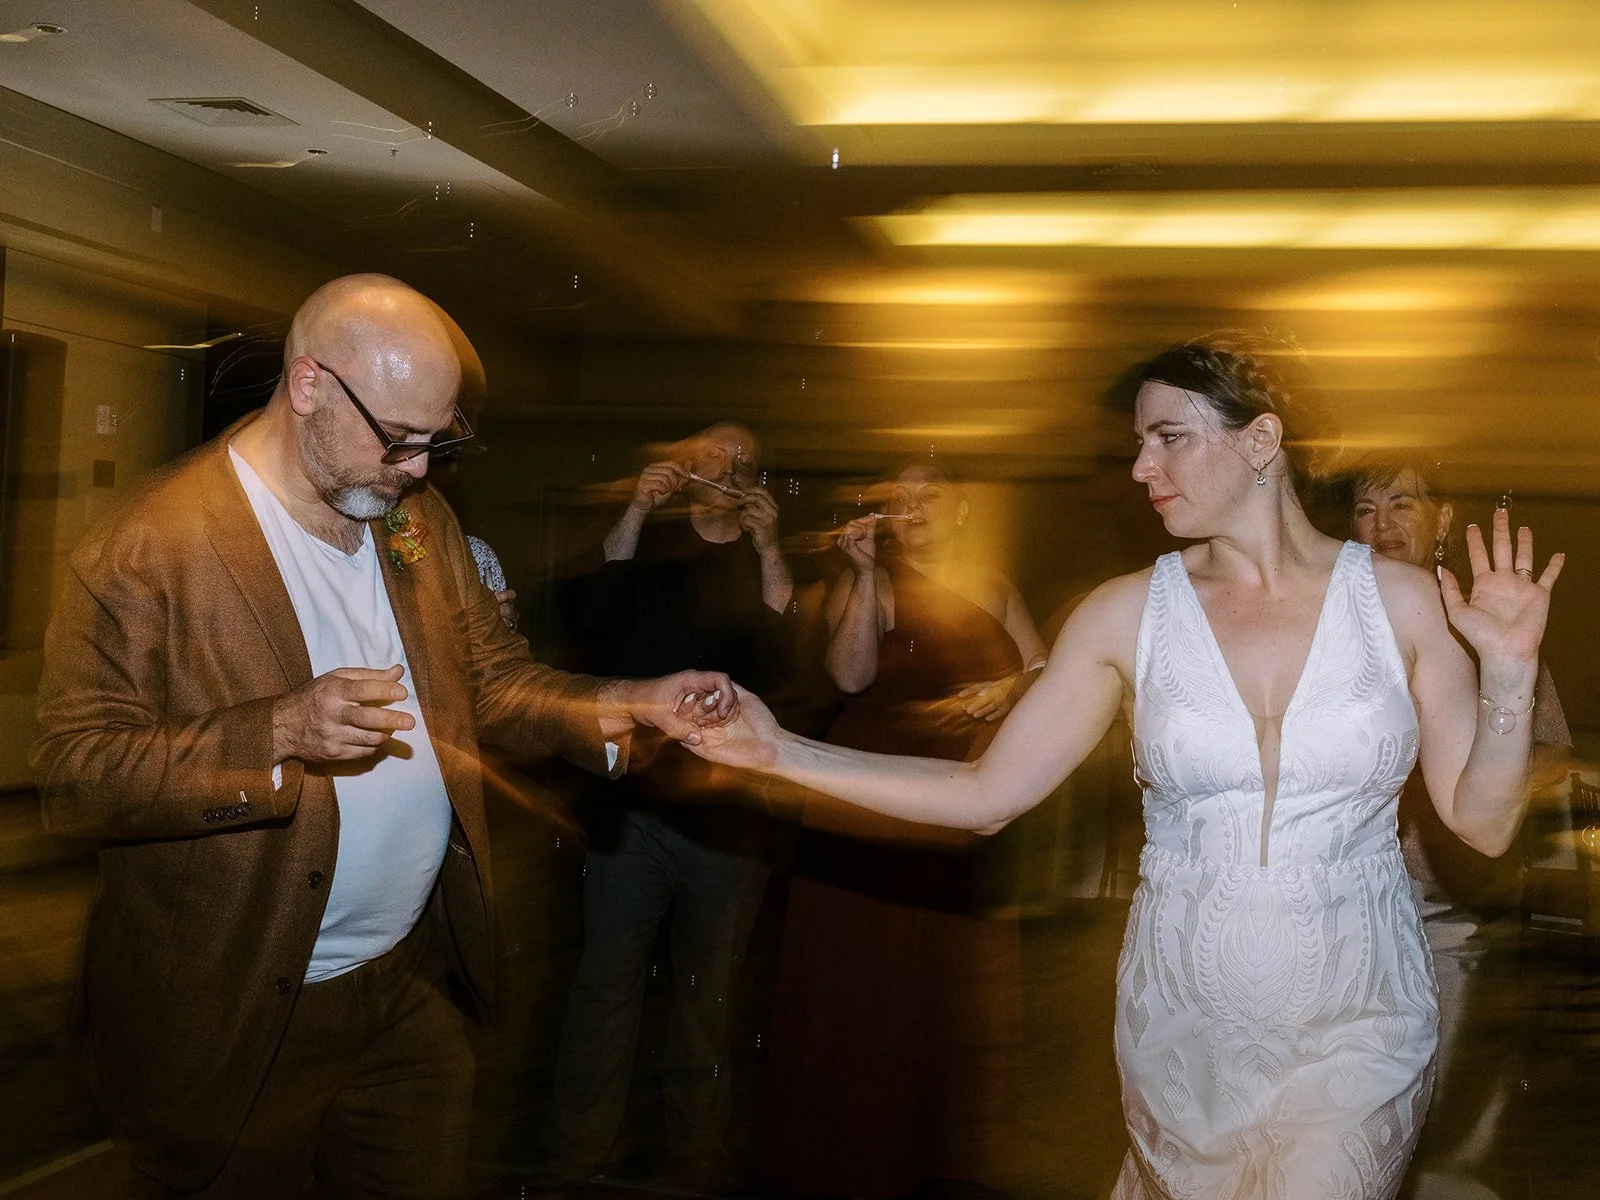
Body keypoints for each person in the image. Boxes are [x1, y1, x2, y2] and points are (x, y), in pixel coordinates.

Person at [687, 337, 1565, 1199]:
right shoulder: (1123, 615)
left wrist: (1510, 673)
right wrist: (778, 751)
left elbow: (1485, 824)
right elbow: (983, 795)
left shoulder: (1401, 602)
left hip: (1358, 1015)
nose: (1143, 468)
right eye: (1139, 442)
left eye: (1169, 437)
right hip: (1184, 1021)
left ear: (1261, 440)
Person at [29, 274, 735, 1199]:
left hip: (405, 986)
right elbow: (76, 775)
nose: (419, 470)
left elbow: (490, 677)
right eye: (399, 439)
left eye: (437, 442)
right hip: (238, 1008)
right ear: (308, 385)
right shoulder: (148, 545)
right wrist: (275, 730)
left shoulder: (416, 520)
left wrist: (628, 701)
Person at [766, 460, 1046, 1198]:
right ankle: (847, 1152)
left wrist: (1009, 687)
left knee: (938, 977)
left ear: (961, 510)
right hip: (872, 797)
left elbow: (1044, 666)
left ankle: (928, 1149)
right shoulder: (868, 580)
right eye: (900, 496)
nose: (912, 505)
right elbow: (850, 676)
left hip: (961, 797)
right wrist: (863, 575)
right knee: (865, 974)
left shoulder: (993, 586)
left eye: (930, 494)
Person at [536, 424, 792, 1190]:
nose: (723, 467)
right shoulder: (648, 550)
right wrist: (637, 510)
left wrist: (770, 549)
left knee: (707, 996)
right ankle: (575, 1158)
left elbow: (783, 659)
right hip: (634, 812)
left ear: (754, 480)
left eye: (740, 460)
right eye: (710, 454)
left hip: (729, 821)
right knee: (604, 985)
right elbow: (586, 620)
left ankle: (696, 1159)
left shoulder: (758, 560)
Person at [1347, 455, 1570, 1195]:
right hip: (1346, 908)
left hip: (1454, 909)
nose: (1382, 525)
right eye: (1365, 509)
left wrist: (1463, 783)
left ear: (1442, 519)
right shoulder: (1336, 623)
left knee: (1446, 1112)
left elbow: (1549, 752)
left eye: (1401, 504)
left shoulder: (1484, 619)